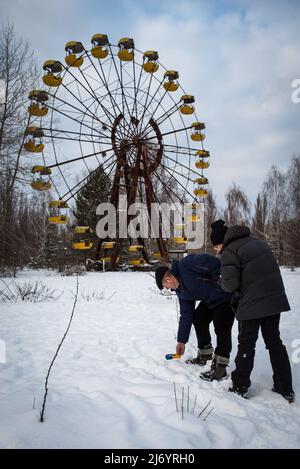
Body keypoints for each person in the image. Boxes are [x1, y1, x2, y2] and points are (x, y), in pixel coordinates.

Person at [210, 219, 295, 402]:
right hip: (274, 300)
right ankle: (285, 387)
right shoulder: (258, 243)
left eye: (216, 247)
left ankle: (240, 386)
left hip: (252, 304)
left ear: (221, 242)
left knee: (246, 344)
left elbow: (230, 285)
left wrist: (220, 280)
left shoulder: (229, 251)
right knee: (275, 343)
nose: (217, 251)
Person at [155, 253, 235, 381]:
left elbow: (213, 262)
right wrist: (181, 341)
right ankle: (205, 354)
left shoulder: (187, 264)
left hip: (225, 295)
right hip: (210, 300)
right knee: (198, 319)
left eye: (166, 283)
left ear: (169, 276)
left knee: (221, 325)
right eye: (166, 286)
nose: (168, 286)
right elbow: (186, 315)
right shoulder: (181, 292)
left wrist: (219, 283)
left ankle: (221, 366)